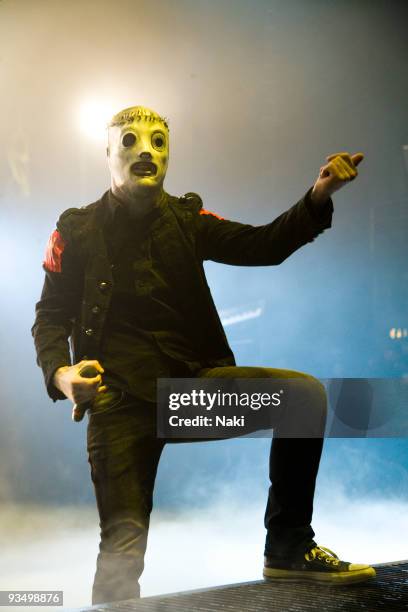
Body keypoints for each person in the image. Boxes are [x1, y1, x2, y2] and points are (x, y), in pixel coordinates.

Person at [32, 105, 375, 604]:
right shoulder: (75, 229)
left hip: (190, 394)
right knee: (121, 555)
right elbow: (51, 315)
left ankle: (286, 548)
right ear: (108, 153)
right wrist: (62, 376)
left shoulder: (188, 221)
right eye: (130, 141)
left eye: (157, 142)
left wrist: (318, 194)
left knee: (304, 398)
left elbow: (264, 245)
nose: (145, 151)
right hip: (120, 404)